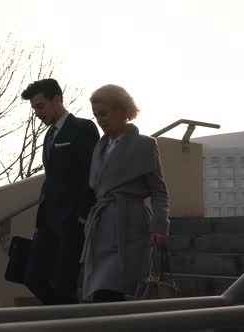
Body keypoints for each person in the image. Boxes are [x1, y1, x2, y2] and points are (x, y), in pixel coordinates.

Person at [80, 84, 170, 303]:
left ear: (121, 110)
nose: (100, 120)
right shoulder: (100, 148)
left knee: (110, 289)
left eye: (104, 113)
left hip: (129, 225)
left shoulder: (145, 145)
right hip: (100, 227)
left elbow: (158, 189)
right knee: (103, 292)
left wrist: (159, 225)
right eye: (96, 115)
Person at [21, 78, 100, 305]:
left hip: (71, 223)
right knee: (33, 277)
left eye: (40, 106)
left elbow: (91, 176)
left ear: (57, 100)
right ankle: (67, 314)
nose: (37, 113)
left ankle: (67, 320)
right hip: (48, 222)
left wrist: (81, 217)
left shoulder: (83, 128)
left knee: (65, 283)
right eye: (34, 108)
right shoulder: (49, 135)